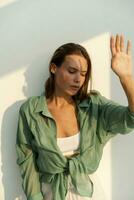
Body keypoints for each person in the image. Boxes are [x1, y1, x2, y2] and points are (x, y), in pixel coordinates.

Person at [16, 34, 134, 200]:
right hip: (51, 193)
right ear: (53, 68)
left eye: (84, 74)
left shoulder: (94, 106)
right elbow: (26, 159)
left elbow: (130, 119)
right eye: (72, 71)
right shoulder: (31, 110)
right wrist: (35, 197)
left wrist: (126, 78)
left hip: (89, 193)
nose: (78, 80)